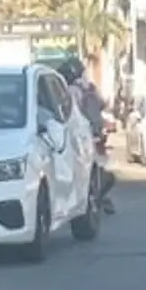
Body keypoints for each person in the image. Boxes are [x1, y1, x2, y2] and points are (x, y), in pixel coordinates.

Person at [57, 56, 116, 214]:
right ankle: (95, 199)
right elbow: (103, 103)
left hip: (81, 136)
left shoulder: (70, 91)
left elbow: (68, 115)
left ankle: (91, 199)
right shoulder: (89, 88)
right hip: (93, 134)